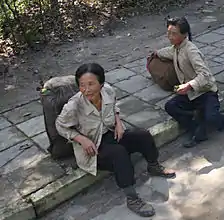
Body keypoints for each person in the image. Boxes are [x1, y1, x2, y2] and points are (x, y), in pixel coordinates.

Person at [55, 63, 175, 218]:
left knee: (143, 135)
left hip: (111, 133)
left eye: (91, 84)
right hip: (93, 147)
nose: (86, 89)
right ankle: (132, 198)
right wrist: (81, 139)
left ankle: (153, 165)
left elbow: (114, 108)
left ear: (101, 84)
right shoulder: (74, 105)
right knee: (120, 153)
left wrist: (118, 122)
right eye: (82, 85)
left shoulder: (108, 91)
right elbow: (60, 126)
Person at [156, 17, 224, 148]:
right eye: (168, 33)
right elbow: (167, 52)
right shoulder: (176, 48)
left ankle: (223, 120)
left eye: (174, 33)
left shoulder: (191, 51)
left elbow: (206, 75)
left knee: (212, 118)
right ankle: (196, 126)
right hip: (190, 94)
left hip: (205, 92)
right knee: (170, 106)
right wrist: (155, 54)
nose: (170, 37)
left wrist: (189, 85)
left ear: (184, 34)